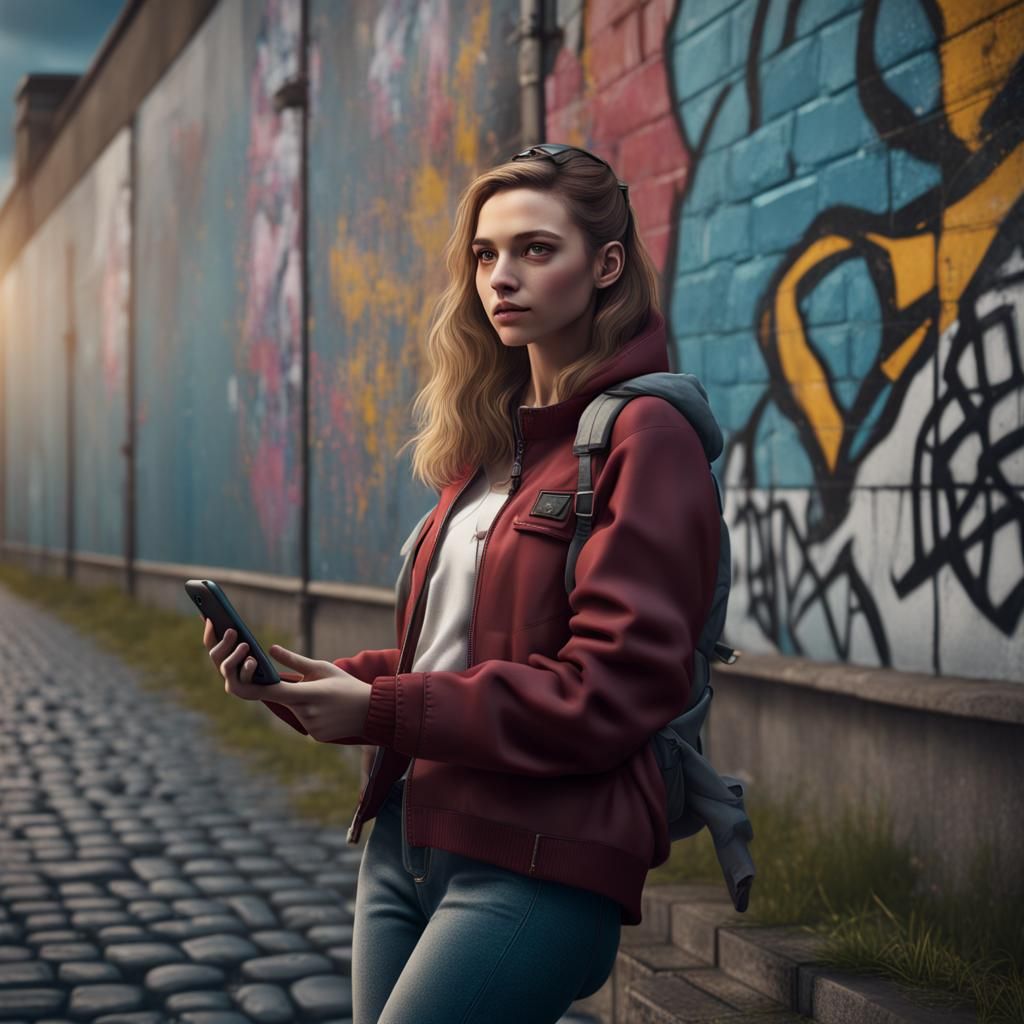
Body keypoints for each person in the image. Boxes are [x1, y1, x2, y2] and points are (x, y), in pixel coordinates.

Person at [203, 143, 721, 1024]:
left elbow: (610, 688)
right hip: (406, 841)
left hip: (538, 861)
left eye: (534, 250)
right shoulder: (490, 449)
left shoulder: (646, 437)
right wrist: (314, 682)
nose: (500, 277)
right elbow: (457, 654)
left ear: (605, 266)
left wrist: (383, 710)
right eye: (484, 254)